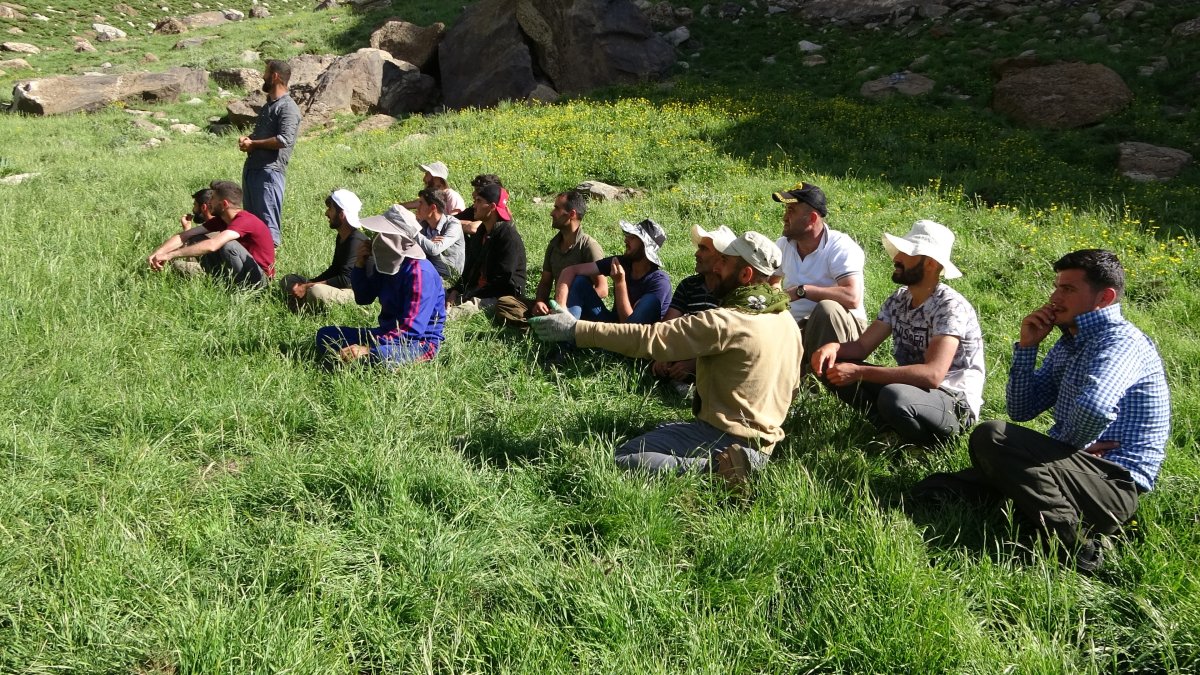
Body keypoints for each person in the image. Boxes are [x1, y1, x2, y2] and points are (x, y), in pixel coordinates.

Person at [912, 249, 1170, 573]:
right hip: (1076, 471)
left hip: (1113, 485)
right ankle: (1030, 514)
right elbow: (1023, 409)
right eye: (1057, 286)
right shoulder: (1069, 343)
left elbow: (1094, 407)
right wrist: (1028, 347)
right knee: (937, 489)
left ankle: (1081, 548)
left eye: (1068, 289)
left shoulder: (1119, 342)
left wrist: (1075, 449)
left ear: (1104, 297)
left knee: (992, 437)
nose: (1054, 297)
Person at [530, 231, 803, 486]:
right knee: (657, 431)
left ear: (745, 274)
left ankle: (722, 469)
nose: (715, 267)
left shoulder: (728, 321)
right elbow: (792, 387)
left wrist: (576, 329)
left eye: (723, 262)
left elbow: (648, 338)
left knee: (624, 458)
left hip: (724, 436)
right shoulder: (786, 320)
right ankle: (746, 460)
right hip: (765, 441)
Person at [810, 219, 984, 448]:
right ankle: (890, 430)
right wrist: (834, 348)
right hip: (910, 390)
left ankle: (926, 445)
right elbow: (863, 346)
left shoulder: (949, 307)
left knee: (894, 397)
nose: (897, 258)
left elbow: (933, 375)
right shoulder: (899, 298)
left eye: (907, 253)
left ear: (930, 263)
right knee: (832, 366)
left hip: (952, 400)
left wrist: (859, 371)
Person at [315, 205, 446, 367]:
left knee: (380, 356)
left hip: (418, 343)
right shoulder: (385, 263)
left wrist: (368, 349)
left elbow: (411, 330)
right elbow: (364, 298)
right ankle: (356, 359)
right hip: (386, 333)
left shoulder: (420, 272)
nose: (376, 238)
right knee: (326, 335)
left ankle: (361, 360)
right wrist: (360, 265)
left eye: (382, 234)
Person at [771, 182, 869, 375]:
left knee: (826, 309)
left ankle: (819, 382)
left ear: (812, 218)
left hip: (841, 329)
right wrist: (776, 303)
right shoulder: (783, 245)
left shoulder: (840, 247)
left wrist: (803, 291)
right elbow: (772, 282)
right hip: (797, 325)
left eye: (791, 210)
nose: (784, 217)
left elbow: (852, 297)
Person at [492, 189, 606, 328]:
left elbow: (602, 289)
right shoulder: (554, 245)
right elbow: (546, 282)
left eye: (557, 208)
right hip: (555, 304)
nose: (552, 213)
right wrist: (540, 302)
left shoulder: (588, 246)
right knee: (505, 302)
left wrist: (569, 304)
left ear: (572, 214)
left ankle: (549, 327)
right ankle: (540, 326)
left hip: (579, 311)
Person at [147, 180, 275, 288]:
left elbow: (213, 245)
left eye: (212, 198)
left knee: (228, 245)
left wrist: (171, 255)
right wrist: (159, 253)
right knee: (195, 238)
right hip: (238, 271)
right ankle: (220, 284)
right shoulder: (221, 220)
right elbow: (185, 235)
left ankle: (239, 290)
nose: (209, 202)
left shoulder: (245, 220)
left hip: (260, 280)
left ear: (224, 204)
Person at [650, 224, 730, 392]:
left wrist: (695, 363)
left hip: (715, 355)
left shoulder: (731, 291)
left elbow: (726, 340)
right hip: (690, 346)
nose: (697, 254)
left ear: (720, 257)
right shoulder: (689, 285)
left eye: (703, 249)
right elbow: (669, 325)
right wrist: (662, 354)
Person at [555, 218, 672, 324]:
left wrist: (619, 283)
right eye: (628, 235)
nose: (626, 240)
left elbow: (629, 328)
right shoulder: (622, 262)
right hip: (612, 327)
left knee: (649, 301)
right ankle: (565, 330)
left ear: (645, 246)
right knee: (580, 281)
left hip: (636, 341)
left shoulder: (660, 282)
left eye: (633, 237)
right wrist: (561, 308)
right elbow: (570, 270)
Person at [239, 59, 301, 247]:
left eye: (265, 73)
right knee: (251, 226)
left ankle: (269, 271)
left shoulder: (288, 107)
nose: (262, 76)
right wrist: (248, 139)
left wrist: (254, 144)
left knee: (267, 228)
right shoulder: (269, 106)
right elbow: (264, 135)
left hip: (269, 173)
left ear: (274, 76)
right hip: (254, 171)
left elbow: (284, 140)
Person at [280, 189, 370, 312]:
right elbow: (334, 269)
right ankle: (303, 301)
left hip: (354, 293)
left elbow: (346, 280)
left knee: (316, 291)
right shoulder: (342, 236)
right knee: (289, 279)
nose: (326, 213)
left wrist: (308, 286)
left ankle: (302, 307)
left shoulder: (356, 241)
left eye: (330, 209)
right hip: (339, 287)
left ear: (342, 215)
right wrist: (311, 282)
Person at [447, 182, 527, 318]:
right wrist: (455, 291)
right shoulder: (482, 232)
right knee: (433, 298)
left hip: (497, 298)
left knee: (446, 317)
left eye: (479, 201)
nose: (474, 205)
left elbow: (502, 282)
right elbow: (469, 269)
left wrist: (469, 295)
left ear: (492, 207)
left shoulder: (508, 237)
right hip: (474, 292)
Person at [412, 188, 465, 284]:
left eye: (421, 203)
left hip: (448, 280)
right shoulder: (423, 225)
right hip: (428, 272)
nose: (417, 207)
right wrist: (428, 241)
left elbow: (434, 249)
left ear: (432, 208)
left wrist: (413, 233)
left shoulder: (453, 224)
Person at [400, 161, 466, 216]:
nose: (424, 179)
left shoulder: (451, 196)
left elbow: (455, 221)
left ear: (437, 178)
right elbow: (416, 203)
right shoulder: (431, 196)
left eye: (427, 174)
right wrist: (397, 206)